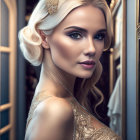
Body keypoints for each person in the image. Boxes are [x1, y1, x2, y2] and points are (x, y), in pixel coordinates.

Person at [19, 0, 122, 139]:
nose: (92, 49)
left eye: (99, 36)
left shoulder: (59, 100)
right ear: (43, 37)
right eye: (75, 34)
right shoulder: (55, 111)